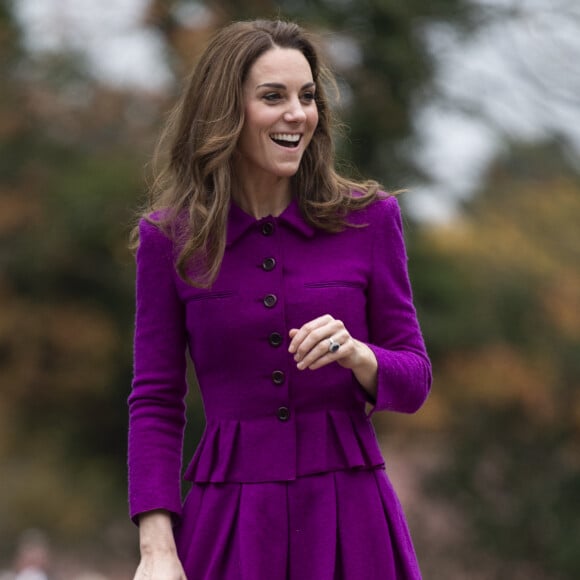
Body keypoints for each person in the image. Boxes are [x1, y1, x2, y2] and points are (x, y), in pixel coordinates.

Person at [128, 19, 432, 580]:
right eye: (274, 97)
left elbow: (414, 378)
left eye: (308, 96)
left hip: (352, 519)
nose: (298, 113)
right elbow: (155, 399)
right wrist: (157, 548)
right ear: (226, 112)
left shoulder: (369, 219)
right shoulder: (168, 239)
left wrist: (359, 354)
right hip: (230, 520)